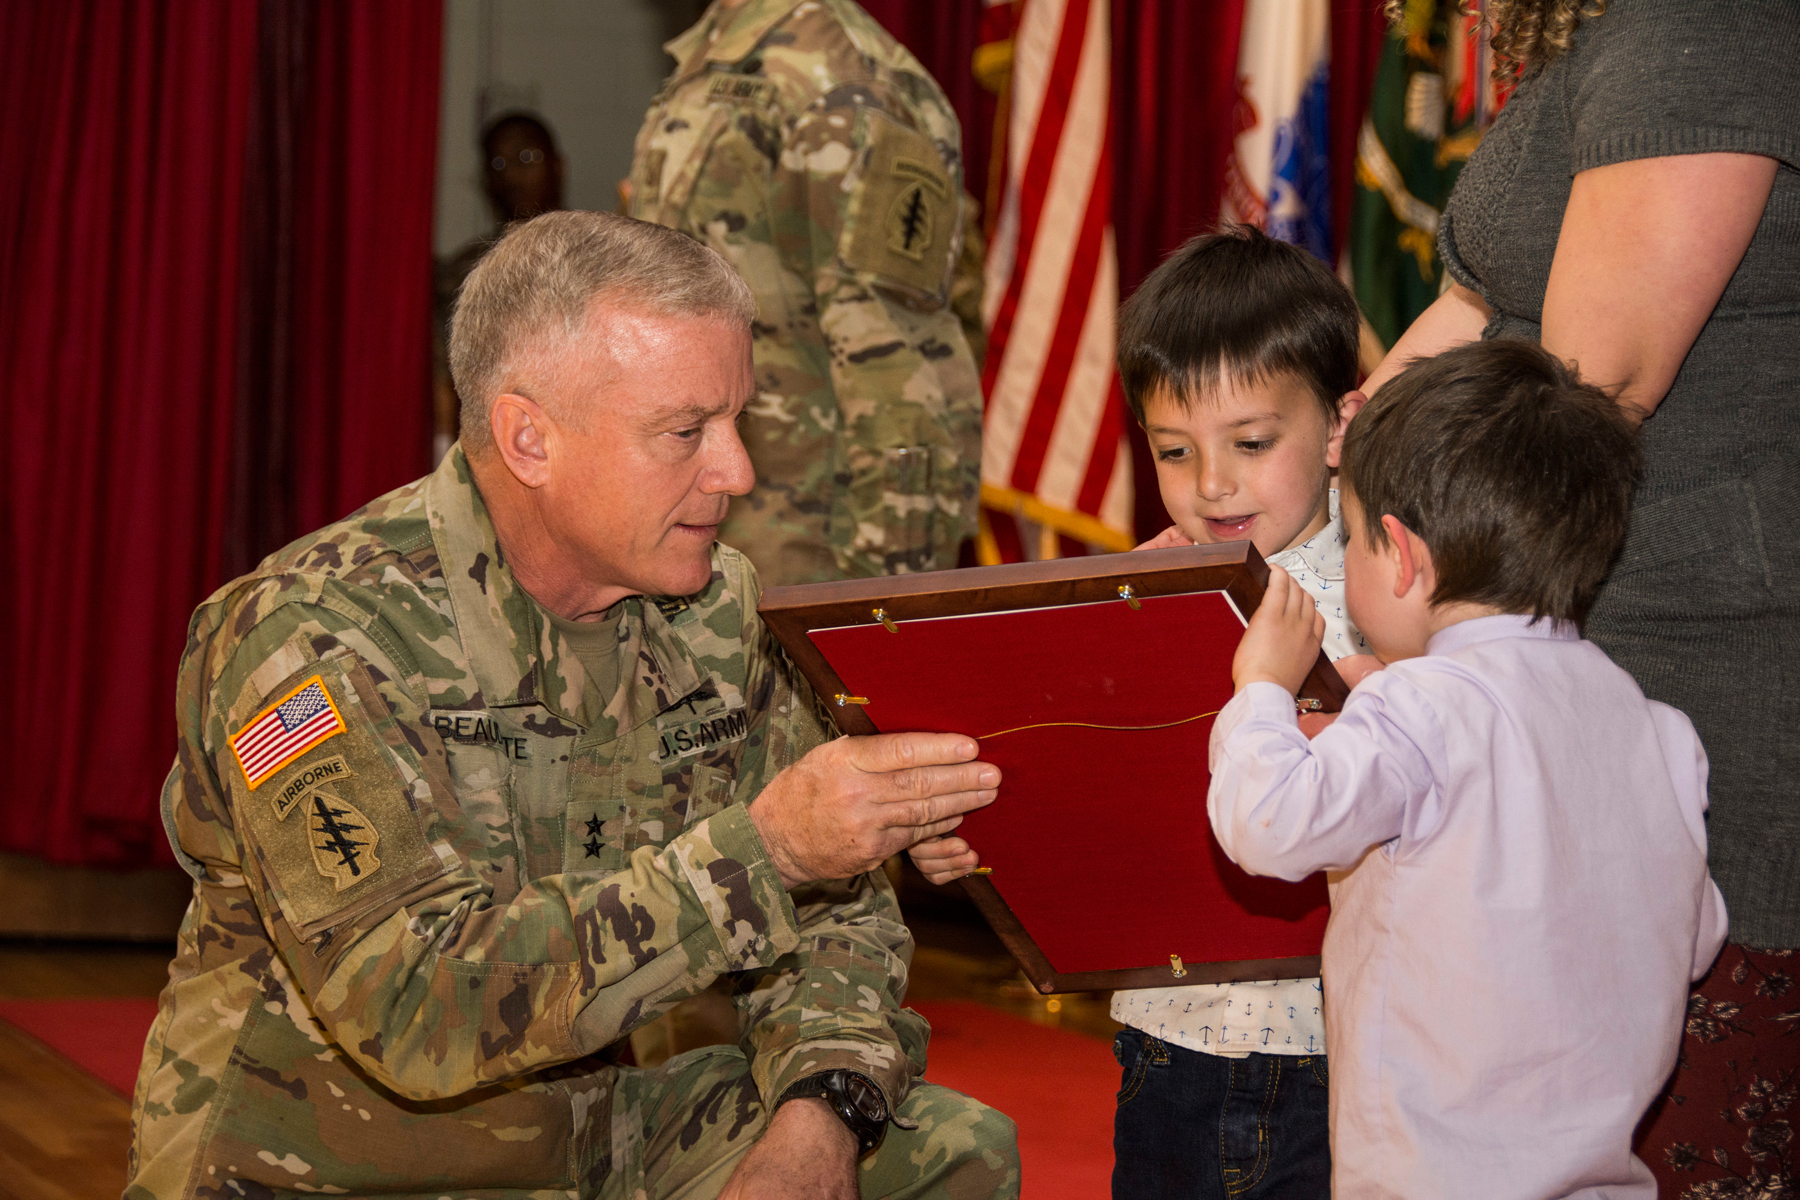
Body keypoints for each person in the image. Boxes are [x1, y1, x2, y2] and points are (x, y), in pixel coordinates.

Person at [128, 211, 1020, 1200]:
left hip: (582, 1145)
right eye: (685, 431)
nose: (737, 472)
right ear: (528, 437)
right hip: (316, 1173)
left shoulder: (712, 611)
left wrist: (821, 1116)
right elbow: (414, 1007)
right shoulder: (311, 636)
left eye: (736, 420)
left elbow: (838, 913)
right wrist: (761, 854)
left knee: (943, 1153)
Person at [1359, 4, 1798, 1187]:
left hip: (1689, 662)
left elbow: (1582, 397)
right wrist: (1311, 530)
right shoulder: (1605, 35)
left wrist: (1379, 581)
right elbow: (1466, 317)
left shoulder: (1694, 26)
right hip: (1571, 643)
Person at [914, 225, 1379, 1199]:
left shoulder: (1383, 598)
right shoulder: (1140, 590)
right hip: (1163, 1040)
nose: (1212, 483)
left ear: (1339, 426)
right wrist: (986, 835)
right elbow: (1087, 778)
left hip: (1327, 1048)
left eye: (1251, 443)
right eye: (1174, 450)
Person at [1212, 339, 1728, 1197]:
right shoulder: (1658, 729)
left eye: (1351, 540)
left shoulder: (1418, 709)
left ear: (1402, 556)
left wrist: (1261, 689)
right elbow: (1696, 931)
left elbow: (1268, 824)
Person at [625, 0, 982, 586]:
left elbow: (897, 363)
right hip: (711, 528)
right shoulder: (720, 53)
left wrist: (883, 599)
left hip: (806, 547)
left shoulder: (836, 78)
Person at [432, 113, 567, 457]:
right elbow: (444, 378)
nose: (512, 175)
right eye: (498, 163)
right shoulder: (466, 273)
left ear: (557, 166)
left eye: (526, 158)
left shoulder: (600, 258)